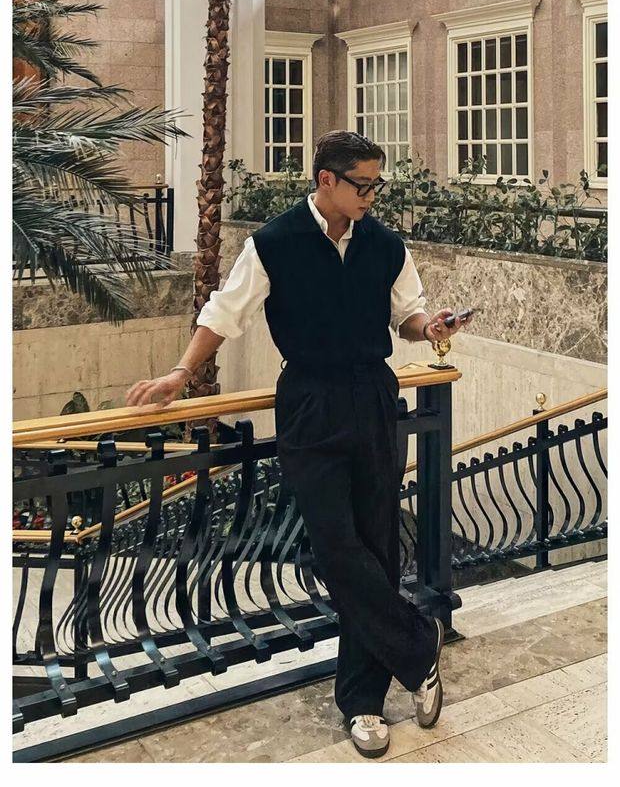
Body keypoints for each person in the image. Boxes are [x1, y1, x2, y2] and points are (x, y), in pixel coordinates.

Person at [126, 130, 473, 759]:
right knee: (335, 547)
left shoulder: (386, 245)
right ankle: (418, 645)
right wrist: (180, 373)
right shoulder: (273, 243)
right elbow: (224, 313)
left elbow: (408, 316)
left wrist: (432, 327)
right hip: (309, 402)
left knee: (376, 547)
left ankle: (364, 702)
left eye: (377, 185)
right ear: (326, 180)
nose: (371, 196)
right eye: (362, 184)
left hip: (373, 396)